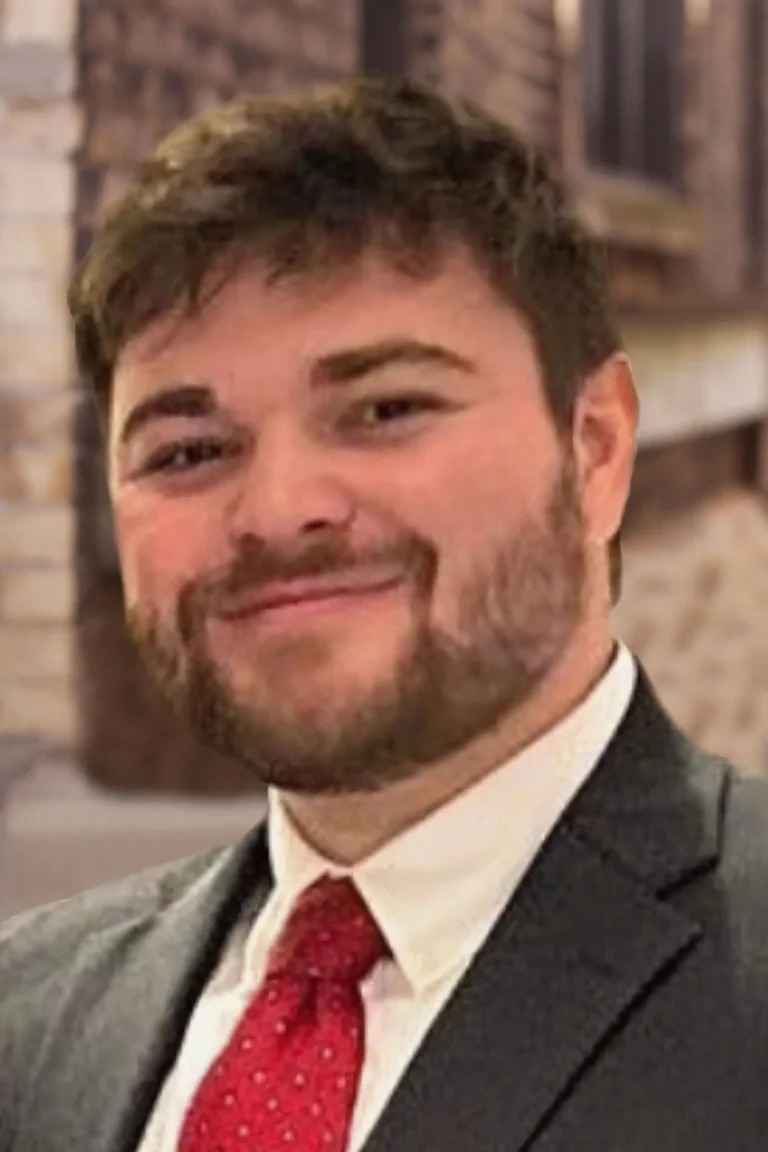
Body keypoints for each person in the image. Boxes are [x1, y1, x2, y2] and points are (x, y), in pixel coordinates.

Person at [2, 77, 767, 1152]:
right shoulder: (25, 1022)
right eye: (188, 452)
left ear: (594, 447)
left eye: (386, 409)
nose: (277, 511)